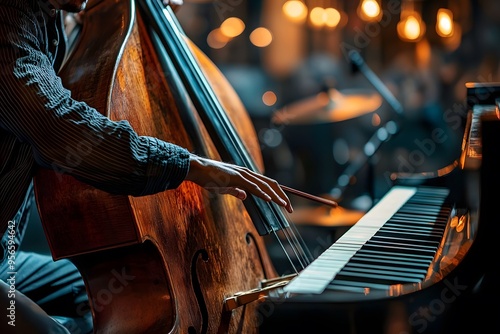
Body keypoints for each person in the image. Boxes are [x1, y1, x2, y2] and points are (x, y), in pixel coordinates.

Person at [0, 0, 293, 333]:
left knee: (122, 296)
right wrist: (189, 165)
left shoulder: (53, 14)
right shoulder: (8, 21)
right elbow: (61, 129)